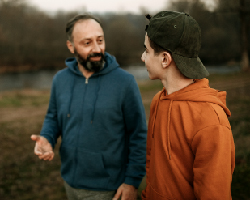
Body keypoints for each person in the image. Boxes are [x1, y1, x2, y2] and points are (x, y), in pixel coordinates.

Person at [31, 14, 147, 200]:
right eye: (87, 43)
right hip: (70, 183)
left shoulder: (125, 83)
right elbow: (53, 116)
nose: (97, 49)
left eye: (100, 41)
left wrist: (132, 182)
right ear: (71, 46)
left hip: (109, 189)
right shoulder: (60, 80)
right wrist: (47, 138)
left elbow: (139, 135)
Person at [140, 11, 235, 200]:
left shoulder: (212, 122)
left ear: (165, 59)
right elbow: (152, 164)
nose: (142, 57)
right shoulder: (158, 101)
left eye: (147, 51)